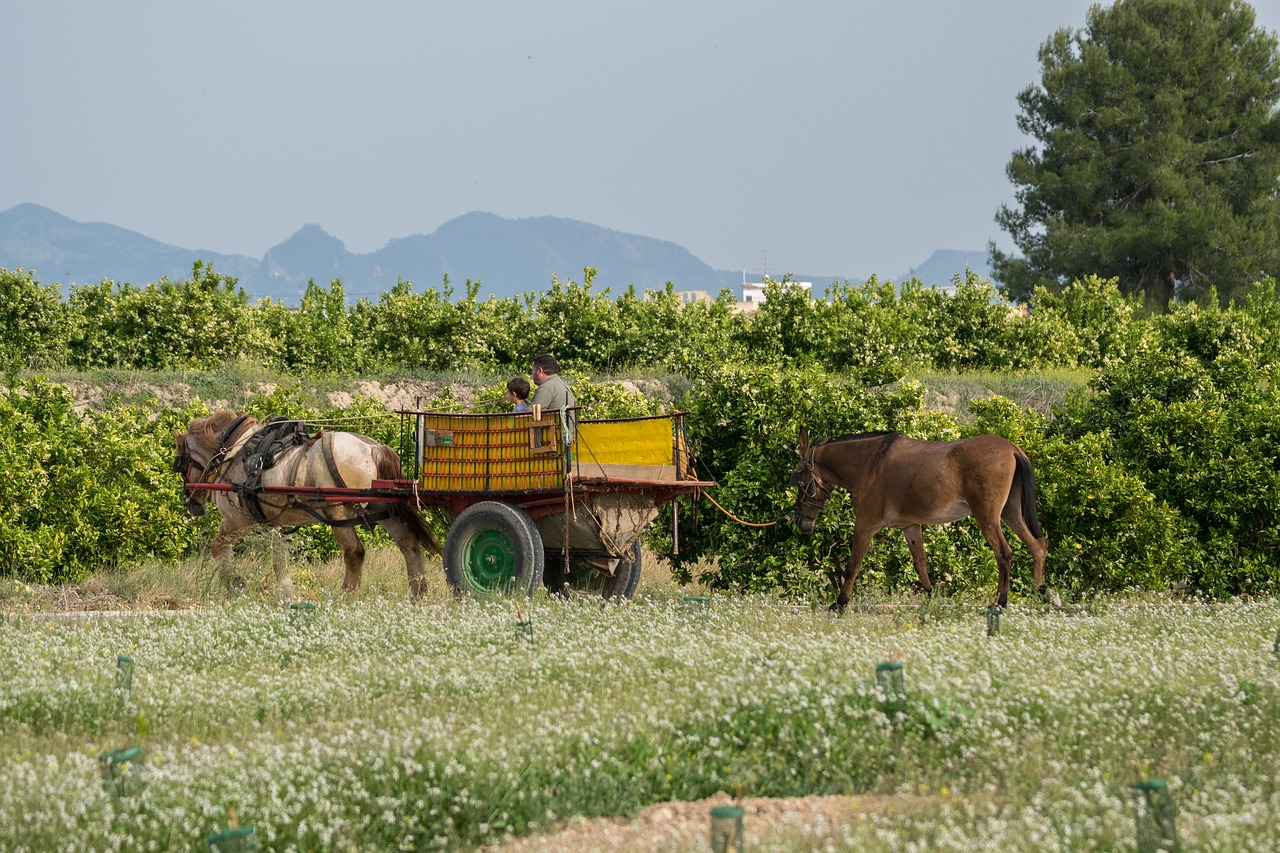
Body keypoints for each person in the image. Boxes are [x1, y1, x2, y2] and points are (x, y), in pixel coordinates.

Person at [530, 353, 576, 444]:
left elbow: (529, 414)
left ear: (540, 370)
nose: (532, 375)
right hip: (567, 438)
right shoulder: (562, 384)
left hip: (555, 441)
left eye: (533, 371)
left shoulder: (546, 388)